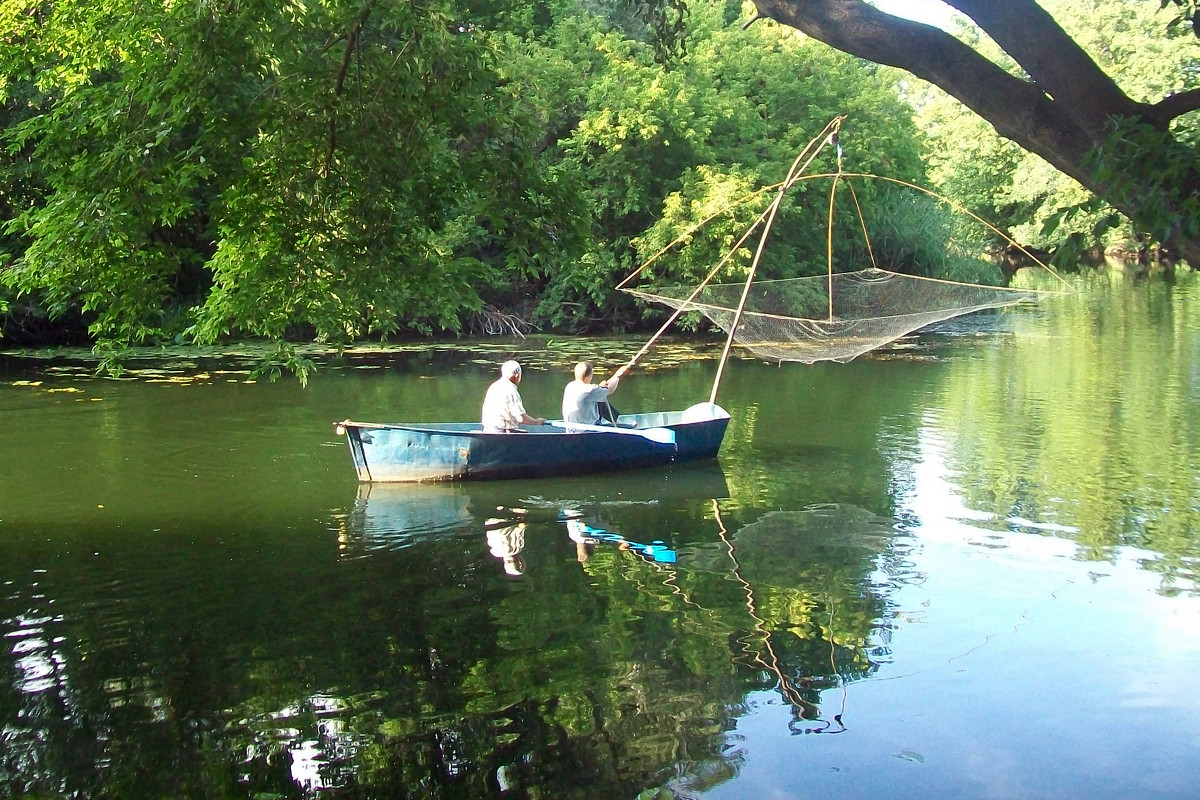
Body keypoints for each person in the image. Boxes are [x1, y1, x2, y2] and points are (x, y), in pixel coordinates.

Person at [482, 360, 546, 432]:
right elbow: (521, 418)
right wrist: (537, 422)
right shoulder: (511, 390)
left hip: (487, 430)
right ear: (517, 375)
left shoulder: (494, 386)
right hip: (502, 433)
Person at [561, 361, 628, 425]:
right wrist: (617, 375)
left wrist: (600, 387)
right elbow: (610, 389)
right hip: (588, 430)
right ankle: (617, 423)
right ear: (589, 376)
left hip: (572, 429)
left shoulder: (570, 386)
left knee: (599, 399)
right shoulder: (590, 390)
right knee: (601, 400)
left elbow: (593, 392)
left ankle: (616, 421)